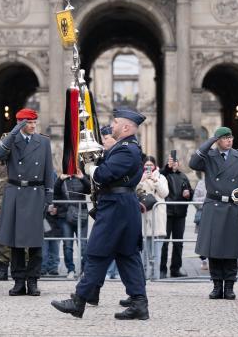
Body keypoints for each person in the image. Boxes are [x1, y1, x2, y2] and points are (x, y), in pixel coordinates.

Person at [51, 108, 149, 320]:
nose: (111, 126)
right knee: (127, 255)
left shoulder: (126, 150)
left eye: (115, 122)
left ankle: (79, 301)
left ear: (126, 127)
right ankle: (139, 303)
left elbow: (103, 174)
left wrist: (89, 166)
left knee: (97, 252)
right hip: (121, 205)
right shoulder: (126, 148)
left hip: (116, 207)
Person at [0, 108, 54, 297]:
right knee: (16, 242)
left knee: (35, 242)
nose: (33, 126)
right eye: (29, 123)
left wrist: (48, 197)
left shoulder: (43, 142)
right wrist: (13, 133)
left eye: (35, 122)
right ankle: (19, 281)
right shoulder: (12, 141)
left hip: (35, 193)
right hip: (15, 192)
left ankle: (33, 281)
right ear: (20, 124)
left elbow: (48, 171)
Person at [189, 126, 238, 300]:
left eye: (230, 138)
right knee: (214, 249)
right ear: (218, 140)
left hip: (233, 206)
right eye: (225, 138)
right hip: (214, 205)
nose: (229, 141)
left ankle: (230, 286)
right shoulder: (209, 156)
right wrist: (210, 141)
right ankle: (217, 285)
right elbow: (193, 163)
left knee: (231, 249)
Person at [160, 153, 193, 278]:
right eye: (171, 162)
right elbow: (163, 173)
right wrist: (167, 167)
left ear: (179, 164)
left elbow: (190, 192)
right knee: (164, 242)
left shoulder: (184, 176)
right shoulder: (165, 174)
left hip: (180, 213)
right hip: (167, 213)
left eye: (176, 162)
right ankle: (162, 269)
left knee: (178, 243)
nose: (174, 164)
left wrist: (188, 193)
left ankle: (176, 269)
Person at [137, 155, 169, 280]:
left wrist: (155, 181)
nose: (149, 167)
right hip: (144, 217)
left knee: (156, 253)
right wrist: (141, 180)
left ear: (155, 166)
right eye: (146, 165)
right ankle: (144, 277)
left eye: (151, 165)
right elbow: (134, 192)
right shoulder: (139, 177)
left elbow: (165, 193)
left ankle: (155, 277)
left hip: (158, 218)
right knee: (144, 252)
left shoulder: (161, 177)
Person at [55, 169, 90, 279]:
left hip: (81, 215)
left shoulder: (81, 177)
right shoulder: (61, 179)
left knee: (83, 245)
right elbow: (55, 193)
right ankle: (71, 269)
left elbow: (89, 190)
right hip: (65, 216)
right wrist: (60, 179)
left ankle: (85, 270)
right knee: (68, 245)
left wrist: (82, 178)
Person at [192, 175, 208, 271]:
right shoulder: (201, 183)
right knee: (202, 238)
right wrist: (207, 201)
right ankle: (204, 259)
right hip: (203, 214)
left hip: (216, 215)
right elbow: (195, 199)